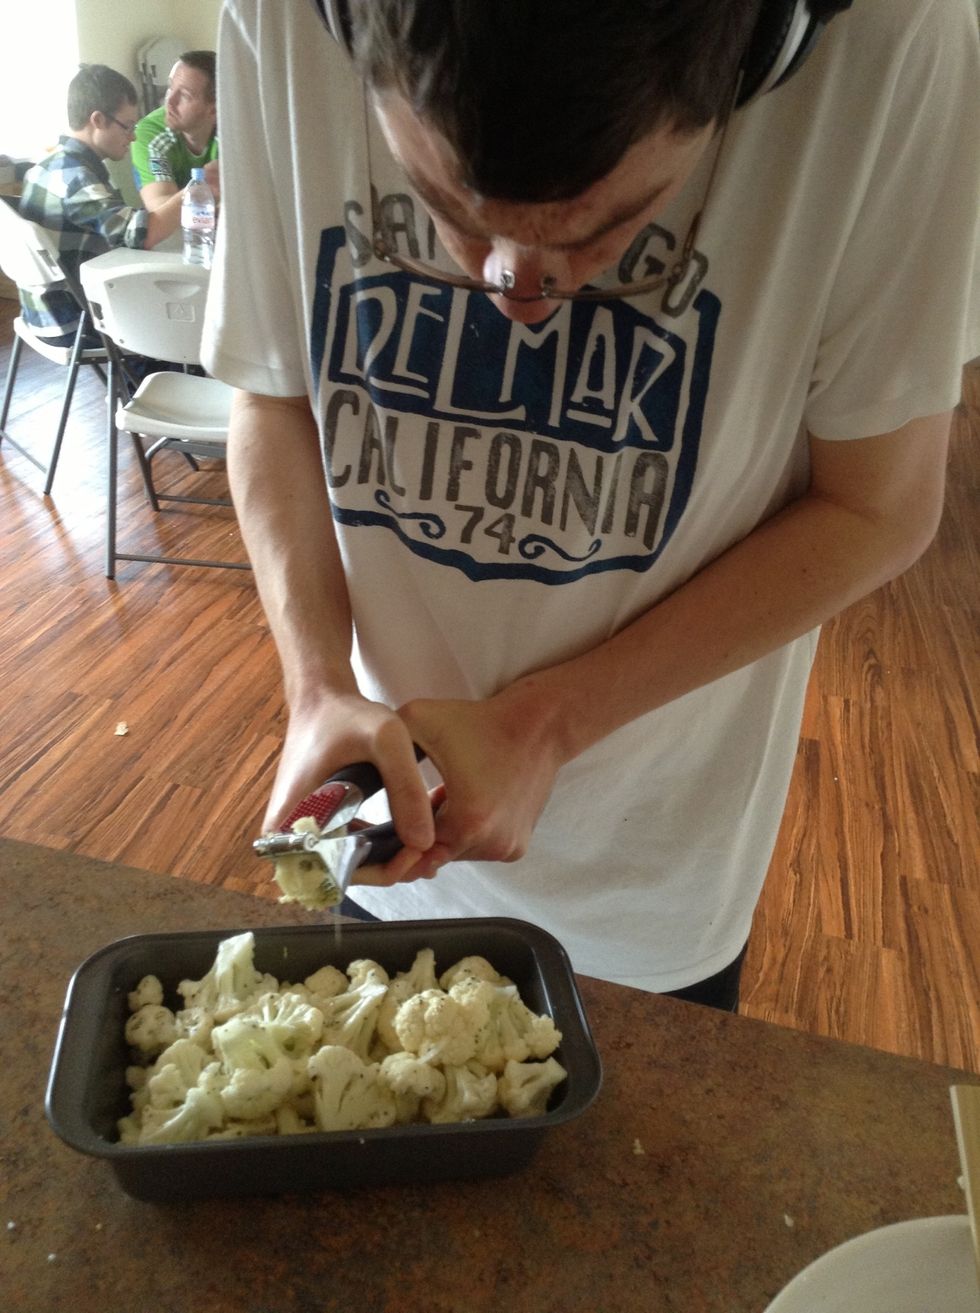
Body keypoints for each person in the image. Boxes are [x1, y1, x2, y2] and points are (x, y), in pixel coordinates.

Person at [201, 0, 980, 1011]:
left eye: (606, 225)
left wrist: (550, 724)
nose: (511, 290)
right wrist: (314, 683)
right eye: (443, 202)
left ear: (761, 54)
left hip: (649, 873)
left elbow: (879, 508)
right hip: (378, 825)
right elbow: (270, 392)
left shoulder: (898, 41)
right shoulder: (274, 17)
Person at [18, 63, 187, 348]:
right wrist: (195, 190)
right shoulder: (76, 178)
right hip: (77, 320)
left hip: (42, 311)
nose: (133, 136)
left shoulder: (50, 165)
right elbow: (140, 234)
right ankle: (156, 383)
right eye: (128, 125)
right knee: (183, 315)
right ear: (97, 120)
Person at [131, 51, 219, 212]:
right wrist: (204, 190)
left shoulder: (234, 133)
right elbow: (160, 208)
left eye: (185, 96)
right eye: (171, 87)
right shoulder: (149, 133)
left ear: (213, 110)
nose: (169, 101)